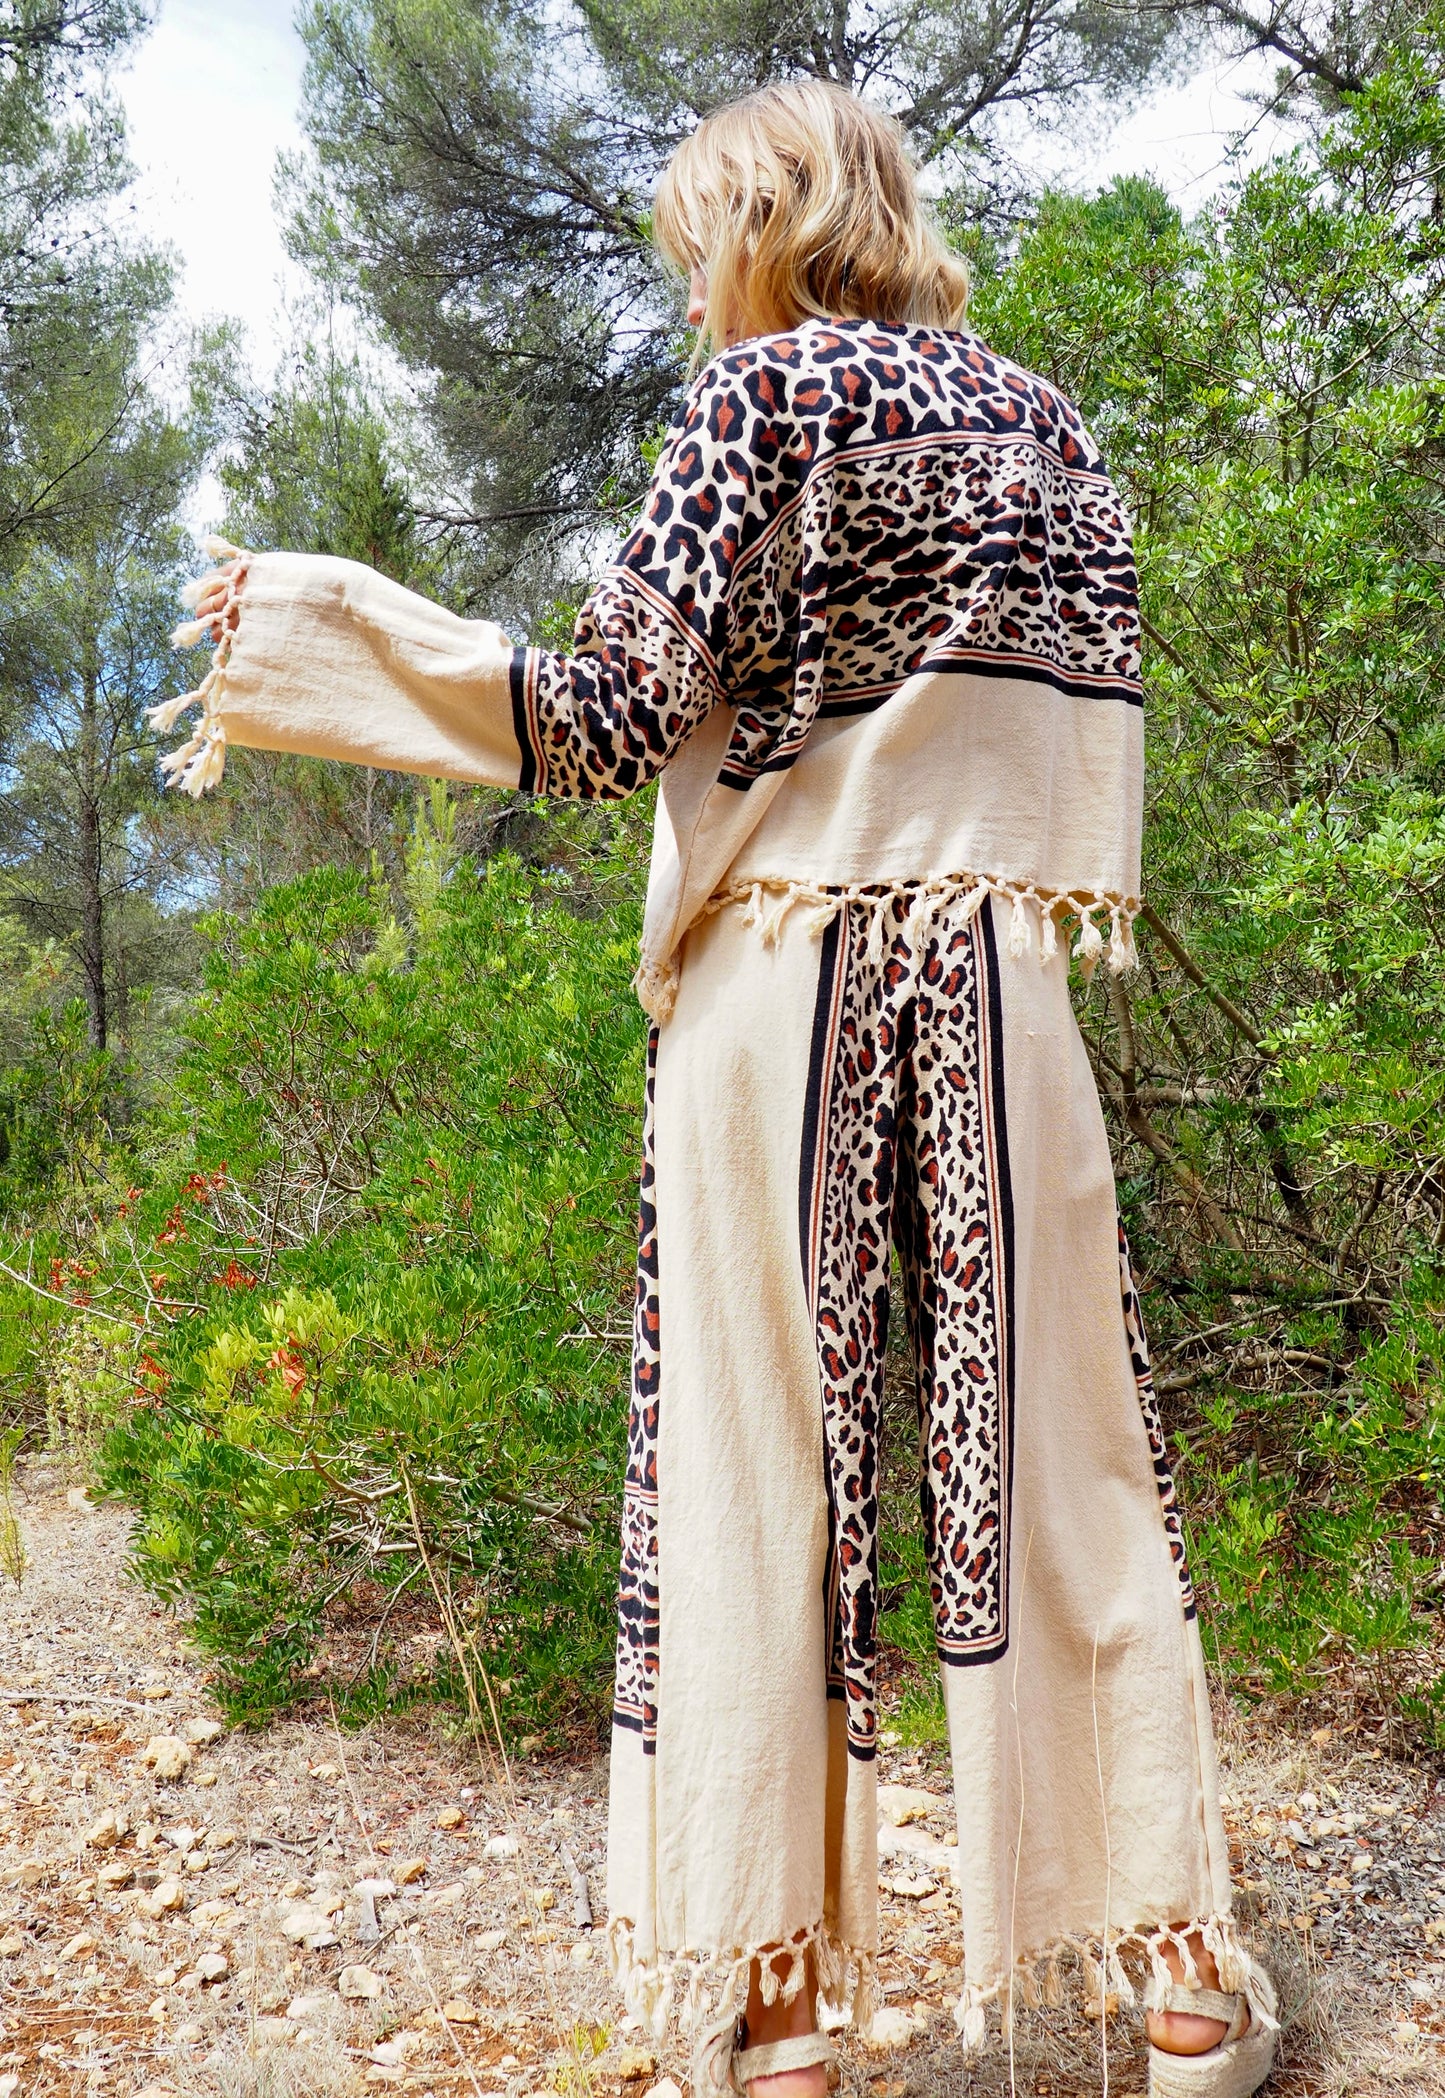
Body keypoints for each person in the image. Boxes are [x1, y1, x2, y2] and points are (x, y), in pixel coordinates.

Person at [154, 79, 1278, 2098]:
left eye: (699, 238)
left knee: (756, 1463)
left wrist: (325, 629)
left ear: (767, 214)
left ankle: (777, 2012)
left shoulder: (752, 408)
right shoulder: (1047, 421)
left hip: (776, 981)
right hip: (1002, 964)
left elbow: (601, 721)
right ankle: (1178, 1967)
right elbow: (1085, 720)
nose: (693, 283)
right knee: (1074, 1447)